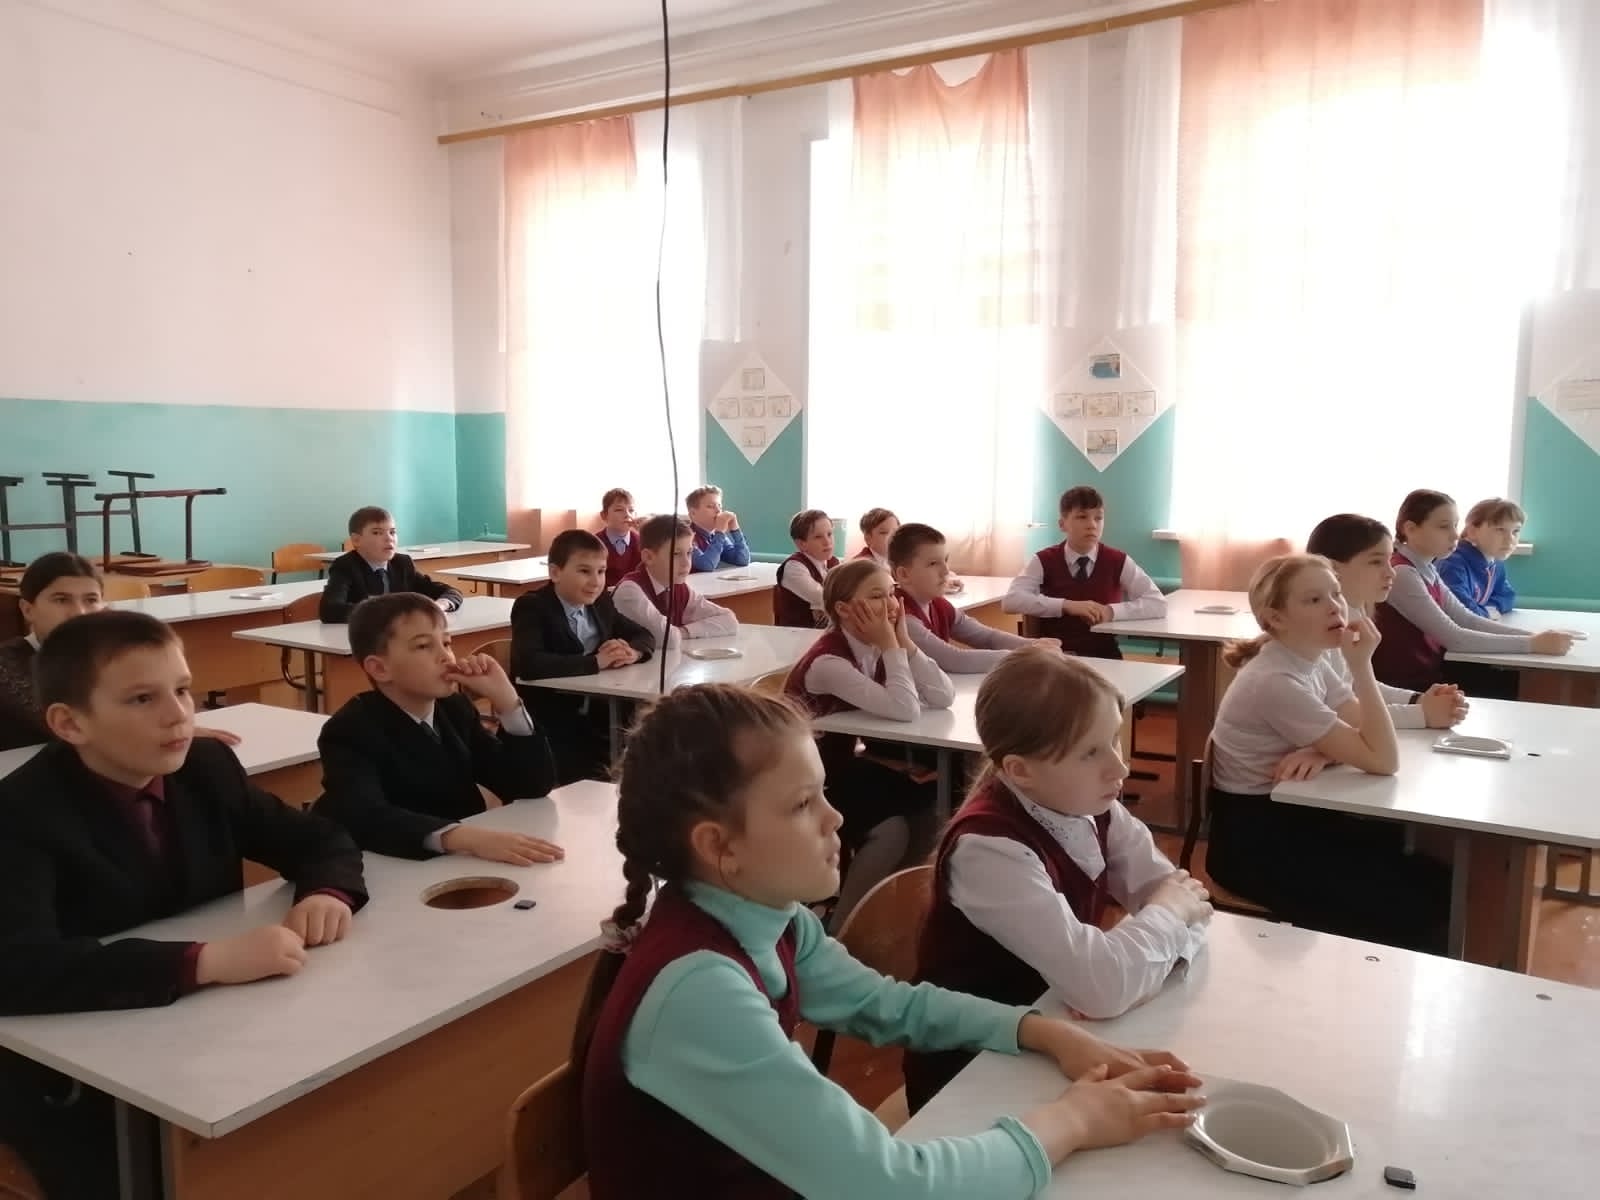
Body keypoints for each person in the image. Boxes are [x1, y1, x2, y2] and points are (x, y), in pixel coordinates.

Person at [572, 683, 1205, 1200]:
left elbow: (889, 1005)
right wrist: (1074, 1120)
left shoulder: (773, 918)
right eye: (802, 804)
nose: (836, 817)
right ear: (719, 847)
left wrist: (1040, 1031)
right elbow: (891, 1185)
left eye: (824, 793)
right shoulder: (699, 990)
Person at [0, 611, 367, 1197]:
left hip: (210, 1033)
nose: (178, 715)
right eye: (142, 699)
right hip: (78, 1071)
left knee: (330, 1108)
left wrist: (328, 889)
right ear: (70, 723)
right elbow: (18, 968)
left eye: (183, 690)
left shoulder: (205, 766)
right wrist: (203, 961)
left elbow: (318, 839)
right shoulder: (21, 813)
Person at [906, 648, 1211, 1111]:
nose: (1120, 767)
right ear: (1020, 771)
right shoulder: (989, 850)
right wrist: (1156, 929)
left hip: (1065, 1038)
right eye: (1090, 752)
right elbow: (1156, 923)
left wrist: (1130, 975)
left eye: (1114, 740)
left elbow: (1193, 907)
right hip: (974, 1068)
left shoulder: (1092, 804)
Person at [1207, 554, 1451, 953]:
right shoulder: (1276, 679)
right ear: (1276, 618)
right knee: (1418, 901)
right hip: (1256, 842)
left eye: (1335, 594)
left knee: (1426, 867)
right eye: (1314, 600)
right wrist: (1362, 668)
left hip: (1295, 814)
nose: (1335, 606)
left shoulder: (1310, 658)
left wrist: (1325, 753)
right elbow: (1383, 759)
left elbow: (1365, 729)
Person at [315, 593, 562, 863]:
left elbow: (529, 785)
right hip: (398, 868)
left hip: (462, 861)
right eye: (423, 646)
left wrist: (507, 702)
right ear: (380, 668)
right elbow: (368, 817)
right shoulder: (350, 730)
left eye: (446, 643)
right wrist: (462, 838)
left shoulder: (454, 709)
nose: (445, 656)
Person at [784, 559, 952, 928]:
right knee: (891, 831)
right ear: (844, 610)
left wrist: (905, 643)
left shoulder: (874, 647)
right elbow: (905, 709)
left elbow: (943, 695)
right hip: (803, 782)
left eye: (892, 593)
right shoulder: (828, 661)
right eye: (877, 596)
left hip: (840, 766)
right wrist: (891, 644)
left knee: (930, 803)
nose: (891, 604)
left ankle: (892, 914)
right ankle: (845, 927)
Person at [1, 551, 241, 751]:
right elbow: (62, 729)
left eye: (91, 600)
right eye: (61, 600)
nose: (79, 612)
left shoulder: (108, 658)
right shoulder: (6, 662)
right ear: (28, 609)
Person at [1372, 490, 1570, 698]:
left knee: (1522, 680)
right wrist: (1532, 644)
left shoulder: (1427, 567)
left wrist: (1535, 637)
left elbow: (1467, 619)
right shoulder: (1402, 573)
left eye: (1455, 525)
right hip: (1406, 685)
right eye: (1444, 527)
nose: (1455, 535)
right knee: (1522, 686)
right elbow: (1455, 638)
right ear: (1410, 529)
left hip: (1431, 672)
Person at [510, 530, 655, 785]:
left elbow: (643, 634)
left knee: (645, 734)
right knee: (590, 772)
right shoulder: (532, 607)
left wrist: (633, 652)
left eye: (601, 571)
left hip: (599, 708)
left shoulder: (600, 602)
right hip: (554, 716)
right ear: (555, 573)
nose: (595, 581)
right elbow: (529, 664)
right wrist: (596, 662)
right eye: (584, 571)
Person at [1305, 514, 1469, 730]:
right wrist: (1422, 714)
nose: (1391, 572)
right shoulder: (1321, 631)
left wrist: (1420, 700)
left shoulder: (1355, 615)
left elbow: (1358, 685)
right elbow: (1336, 712)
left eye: (1389, 560)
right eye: (1376, 562)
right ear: (1333, 570)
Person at [1003, 486, 1165, 657]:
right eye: (1082, 517)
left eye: (1098, 518)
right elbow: (1011, 601)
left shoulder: (1117, 560)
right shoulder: (1043, 560)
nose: (1092, 525)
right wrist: (1066, 605)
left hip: (1104, 654)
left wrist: (1110, 611)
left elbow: (1158, 603)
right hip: (1055, 656)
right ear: (1062, 524)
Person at [890, 523, 1048, 672]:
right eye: (933, 563)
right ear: (904, 574)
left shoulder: (938, 604)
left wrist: (1035, 645)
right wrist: (1029, 656)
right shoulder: (903, 617)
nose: (946, 571)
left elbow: (987, 637)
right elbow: (955, 659)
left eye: (945, 560)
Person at [319, 506, 462, 622]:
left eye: (392, 532)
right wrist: (390, 612)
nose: (389, 539)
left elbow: (452, 592)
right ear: (356, 540)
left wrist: (439, 606)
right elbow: (330, 610)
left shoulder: (402, 563)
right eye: (377, 533)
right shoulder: (345, 566)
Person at [614, 515, 739, 645]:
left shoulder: (678, 587)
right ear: (649, 557)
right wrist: (679, 633)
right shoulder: (629, 590)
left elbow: (729, 620)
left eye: (689, 553)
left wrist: (682, 632)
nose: (686, 563)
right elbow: (668, 638)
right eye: (676, 554)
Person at [1436, 497, 1523, 620]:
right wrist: (1487, 613)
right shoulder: (1452, 564)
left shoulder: (1495, 561)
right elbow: (1462, 611)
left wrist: (1489, 609)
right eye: (1500, 529)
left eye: (1516, 531)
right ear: (1472, 532)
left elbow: (1508, 596)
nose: (1510, 539)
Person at [774, 508, 838, 627]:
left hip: (822, 632)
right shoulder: (794, 567)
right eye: (818, 537)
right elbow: (823, 597)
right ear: (801, 544)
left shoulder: (833, 562)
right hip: (796, 634)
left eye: (829, 534)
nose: (827, 542)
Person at [685, 486, 751, 572]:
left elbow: (743, 560)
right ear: (693, 513)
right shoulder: (685, 536)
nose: (718, 510)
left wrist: (735, 529)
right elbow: (707, 565)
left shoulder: (716, 535)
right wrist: (720, 532)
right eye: (710, 506)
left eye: (720, 506)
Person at [597, 488, 643, 589]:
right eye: (619, 510)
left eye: (631, 510)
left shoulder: (642, 542)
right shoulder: (594, 543)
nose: (627, 515)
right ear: (604, 515)